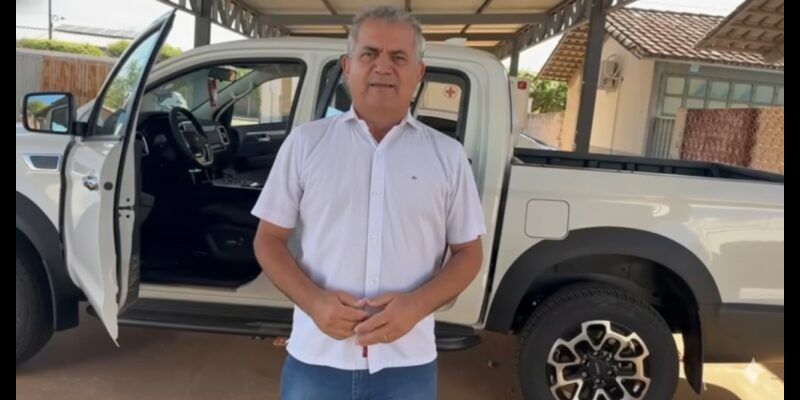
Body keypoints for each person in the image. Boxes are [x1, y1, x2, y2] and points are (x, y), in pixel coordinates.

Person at [251, 5, 486, 399]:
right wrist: (314, 303)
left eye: (398, 57)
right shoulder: (306, 144)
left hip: (407, 363)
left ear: (419, 72)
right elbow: (268, 239)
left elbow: (469, 252)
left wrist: (415, 307)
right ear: (348, 67)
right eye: (369, 53)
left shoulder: (447, 156)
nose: (383, 67)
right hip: (317, 358)